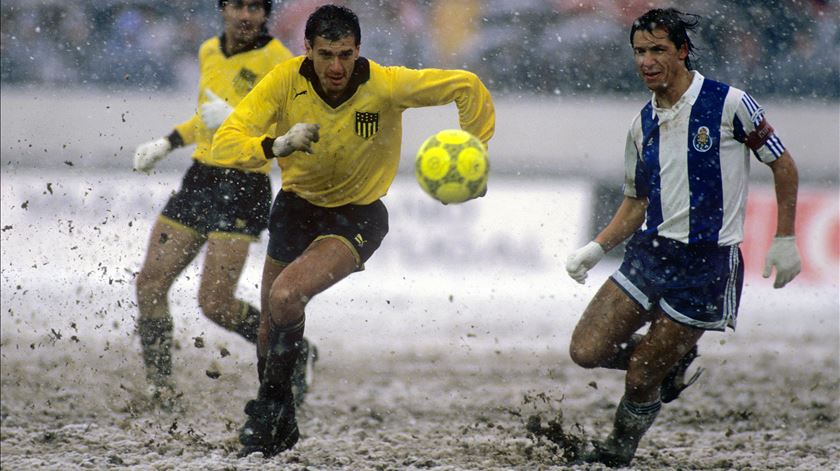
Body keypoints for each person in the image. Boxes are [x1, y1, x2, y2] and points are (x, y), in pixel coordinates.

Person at [211, 4, 495, 457]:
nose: (337, 66)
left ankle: (268, 411)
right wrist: (274, 144)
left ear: (359, 50)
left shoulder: (385, 84)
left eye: (345, 54)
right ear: (307, 50)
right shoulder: (285, 80)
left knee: (285, 297)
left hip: (357, 216)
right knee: (269, 328)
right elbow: (226, 139)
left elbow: (467, 86)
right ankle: (280, 418)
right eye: (326, 55)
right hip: (295, 209)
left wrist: (475, 149)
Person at [564, 8, 801, 467]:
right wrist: (595, 249)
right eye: (639, 51)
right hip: (649, 256)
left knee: (639, 377)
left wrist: (785, 236)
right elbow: (635, 202)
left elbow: (783, 163)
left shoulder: (730, 104)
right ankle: (668, 363)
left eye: (658, 50)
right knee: (585, 351)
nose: (647, 61)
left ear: (683, 51)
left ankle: (617, 449)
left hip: (706, 268)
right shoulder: (641, 124)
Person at [131, 0, 316, 411]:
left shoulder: (279, 62)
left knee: (214, 305)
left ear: (266, 12)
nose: (245, 16)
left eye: (254, 7)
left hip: (245, 182)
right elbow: (204, 117)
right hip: (200, 178)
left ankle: (296, 350)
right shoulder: (208, 51)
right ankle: (161, 390)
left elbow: (290, 127)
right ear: (223, 8)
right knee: (149, 284)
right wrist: (168, 143)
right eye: (237, 5)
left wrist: (238, 117)